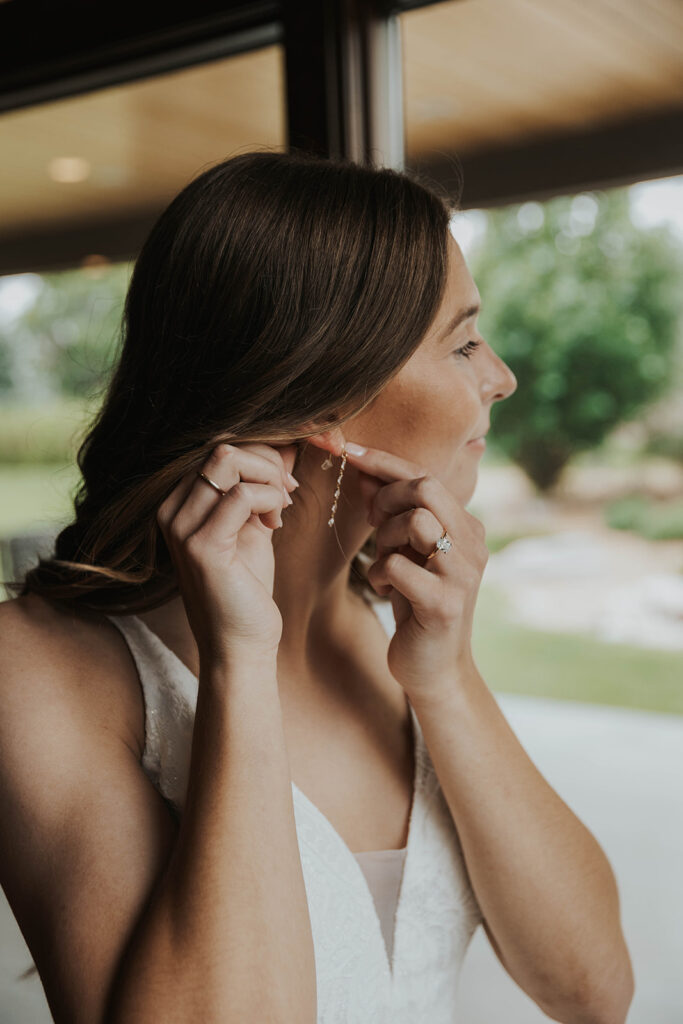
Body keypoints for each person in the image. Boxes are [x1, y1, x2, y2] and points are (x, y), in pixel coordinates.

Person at [0, 150, 634, 1024]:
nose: (500, 376)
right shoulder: (34, 672)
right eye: (462, 341)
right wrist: (240, 665)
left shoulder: (385, 619)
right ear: (322, 401)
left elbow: (593, 991)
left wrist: (444, 679)